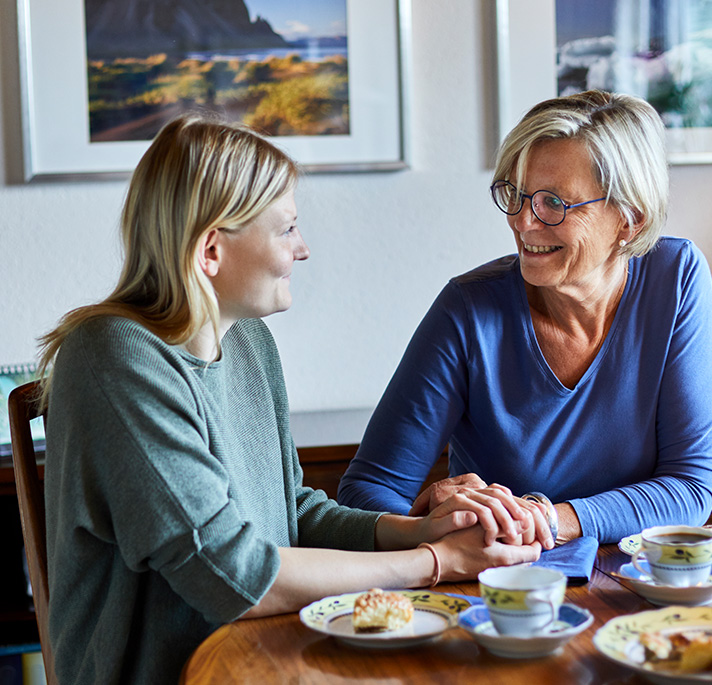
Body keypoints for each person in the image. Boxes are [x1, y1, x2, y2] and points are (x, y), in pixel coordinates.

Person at [35, 114, 541, 685]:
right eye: (286, 229)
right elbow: (233, 576)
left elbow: (292, 513)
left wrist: (419, 530)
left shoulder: (248, 341)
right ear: (210, 250)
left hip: (269, 657)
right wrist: (437, 564)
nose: (302, 250)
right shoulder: (115, 357)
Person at [337, 90, 712, 546]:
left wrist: (547, 519)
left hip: (632, 583)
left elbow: (691, 486)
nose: (523, 222)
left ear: (628, 220)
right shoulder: (468, 309)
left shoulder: (676, 278)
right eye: (516, 196)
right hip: (502, 591)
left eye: (553, 204)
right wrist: (428, 522)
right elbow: (365, 493)